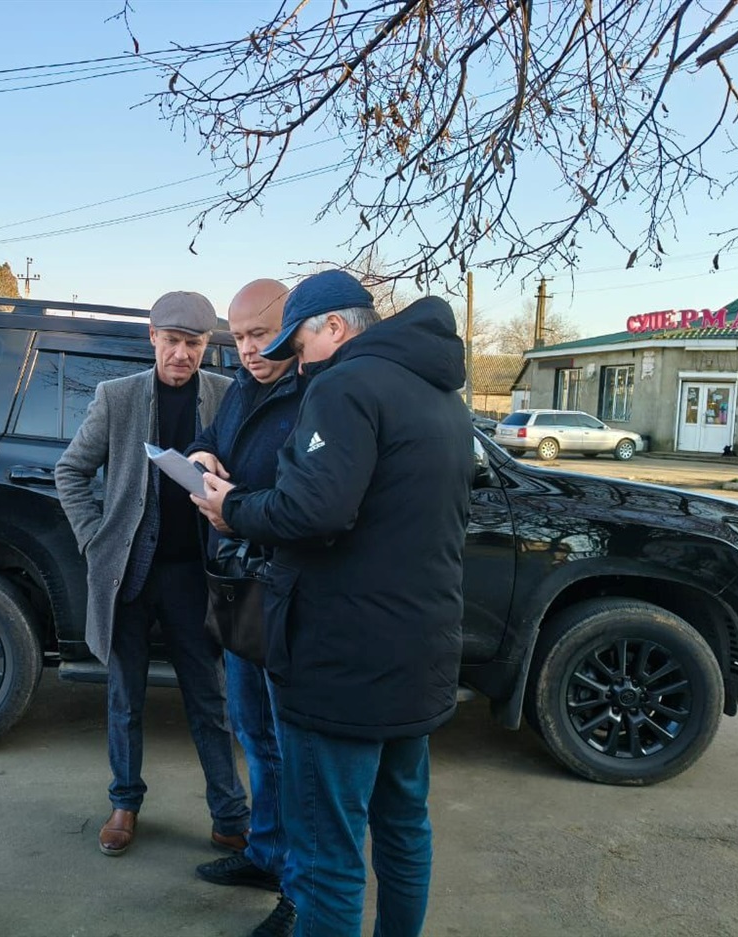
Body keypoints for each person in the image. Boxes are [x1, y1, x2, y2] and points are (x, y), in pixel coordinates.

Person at [193, 270, 473, 937]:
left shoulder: (346, 385)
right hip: (419, 652)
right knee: (403, 825)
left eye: (299, 345)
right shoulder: (440, 395)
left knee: (327, 857)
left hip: (341, 661)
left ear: (336, 327)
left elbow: (315, 510)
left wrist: (233, 508)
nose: (298, 364)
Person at [54, 291, 250, 858]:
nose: (181, 354)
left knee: (209, 699)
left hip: (195, 576)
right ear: (153, 339)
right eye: (172, 341)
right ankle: (124, 803)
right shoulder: (116, 397)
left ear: (206, 346)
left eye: (193, 343)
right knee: (125, 697)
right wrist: (95, 540)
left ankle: (229, 814)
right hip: (128, 576)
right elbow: (71, 471)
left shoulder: (227, 396)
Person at [185, 280, 305, 927]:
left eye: (260, 334)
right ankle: (264, 852)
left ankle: (298, 885)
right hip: (237, 587)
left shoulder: (314, 391)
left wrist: (235, 509)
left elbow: (309, 503)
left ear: (291, 325)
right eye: (238, 337)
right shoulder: (241, 387)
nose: (249, 349)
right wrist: (201, 452)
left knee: (291, 745)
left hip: (285, 594)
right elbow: (212, 437)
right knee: (253, 730)